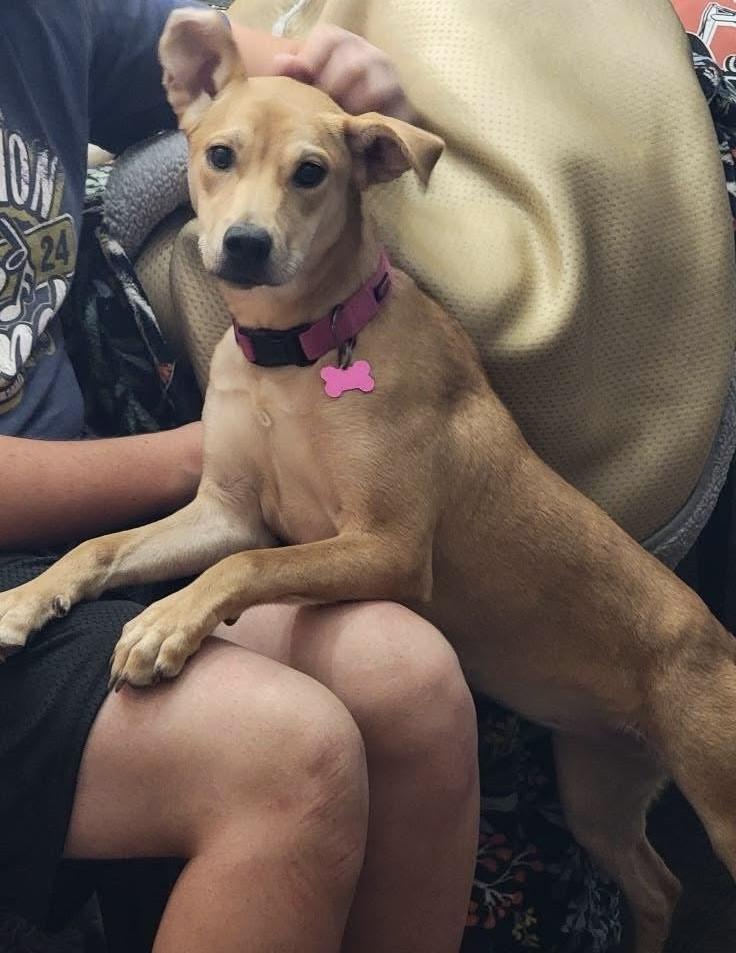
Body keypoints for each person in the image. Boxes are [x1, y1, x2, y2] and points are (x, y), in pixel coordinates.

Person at [0, 3, 480, 952]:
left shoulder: (48, 16)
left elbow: (248, 78)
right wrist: (215, 455)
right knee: (290, 760)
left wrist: (339, 69)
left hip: (75, 545)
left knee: (414, 681)